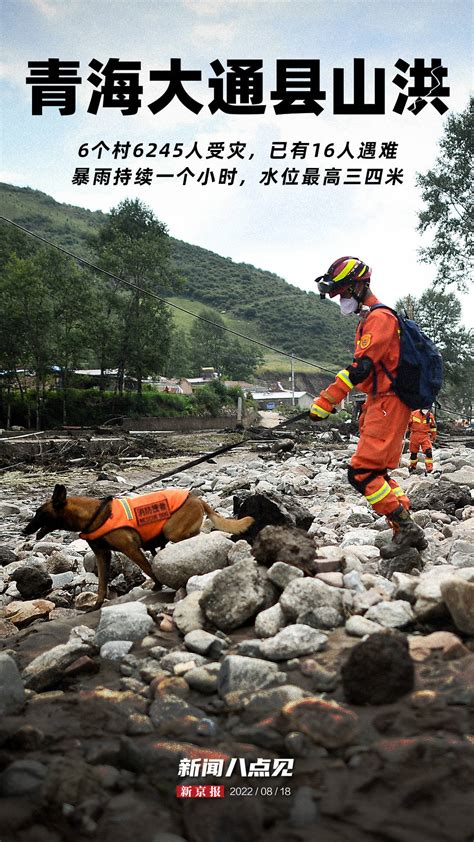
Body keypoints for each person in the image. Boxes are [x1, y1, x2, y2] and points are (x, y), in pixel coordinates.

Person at [309, 256, 427, 559]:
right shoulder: (370, 318)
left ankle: (406, 527)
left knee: (360, 474)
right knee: (378, 473)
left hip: (387, 404)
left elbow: (360, 369)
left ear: (359, 285)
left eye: (344, 292)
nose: (341, 299)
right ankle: (406, 529)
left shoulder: (379, 318)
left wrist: (326, 401)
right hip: (381, 403)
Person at [408, 408, 437, 475]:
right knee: (413, 453)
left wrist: (433, 436)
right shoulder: (413, 414)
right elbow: (407, 423)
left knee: (428, 452)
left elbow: (433, 427)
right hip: (414, 435)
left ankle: (429, 469)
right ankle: (412, 467)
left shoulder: (430, 416)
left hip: (425, 436)